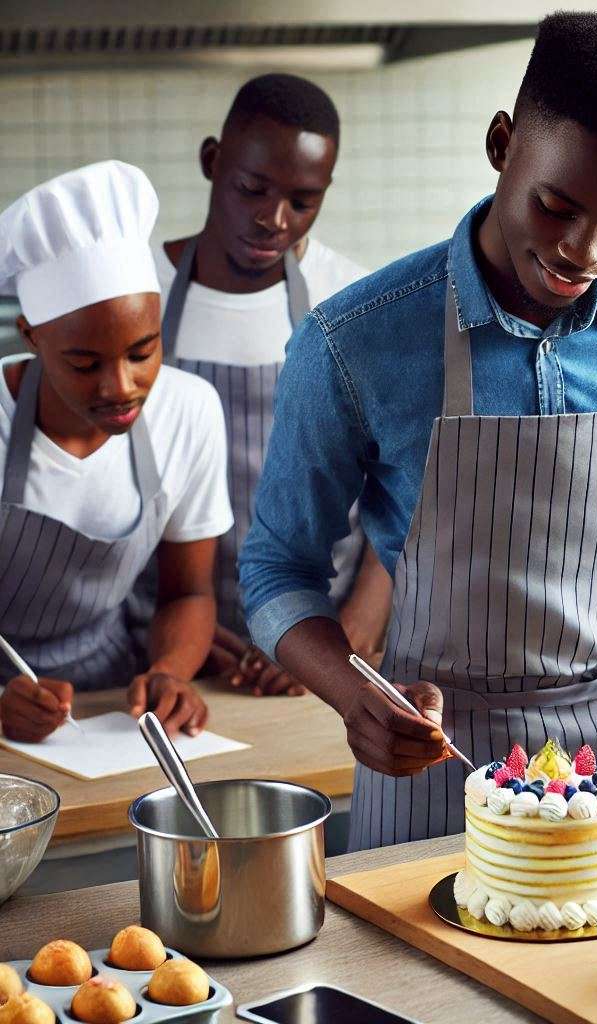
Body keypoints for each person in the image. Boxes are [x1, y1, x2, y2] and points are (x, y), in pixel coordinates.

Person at [239, 12, 597, 855]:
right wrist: (354, 696)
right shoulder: (355, 339)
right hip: (428, 764)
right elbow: (277, 569)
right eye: (556, 206)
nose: (583, 250)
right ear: (501, 144)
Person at [142, 73, 389, 697]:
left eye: (303, 202)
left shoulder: (354, 302)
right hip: (159, 648)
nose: (274, 220)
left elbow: (408, 489)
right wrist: (178, 639)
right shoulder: (138, 291)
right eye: (252, 189)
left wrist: (344, 633)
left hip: (320, 648)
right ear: (212, 161)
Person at [0, 161, 232, 742]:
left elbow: (189, 591)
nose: (121, 386)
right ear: (31, 336)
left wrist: (169, 673)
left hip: (112, 700)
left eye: (142, 350)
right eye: (84, 364)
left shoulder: (189, 410)